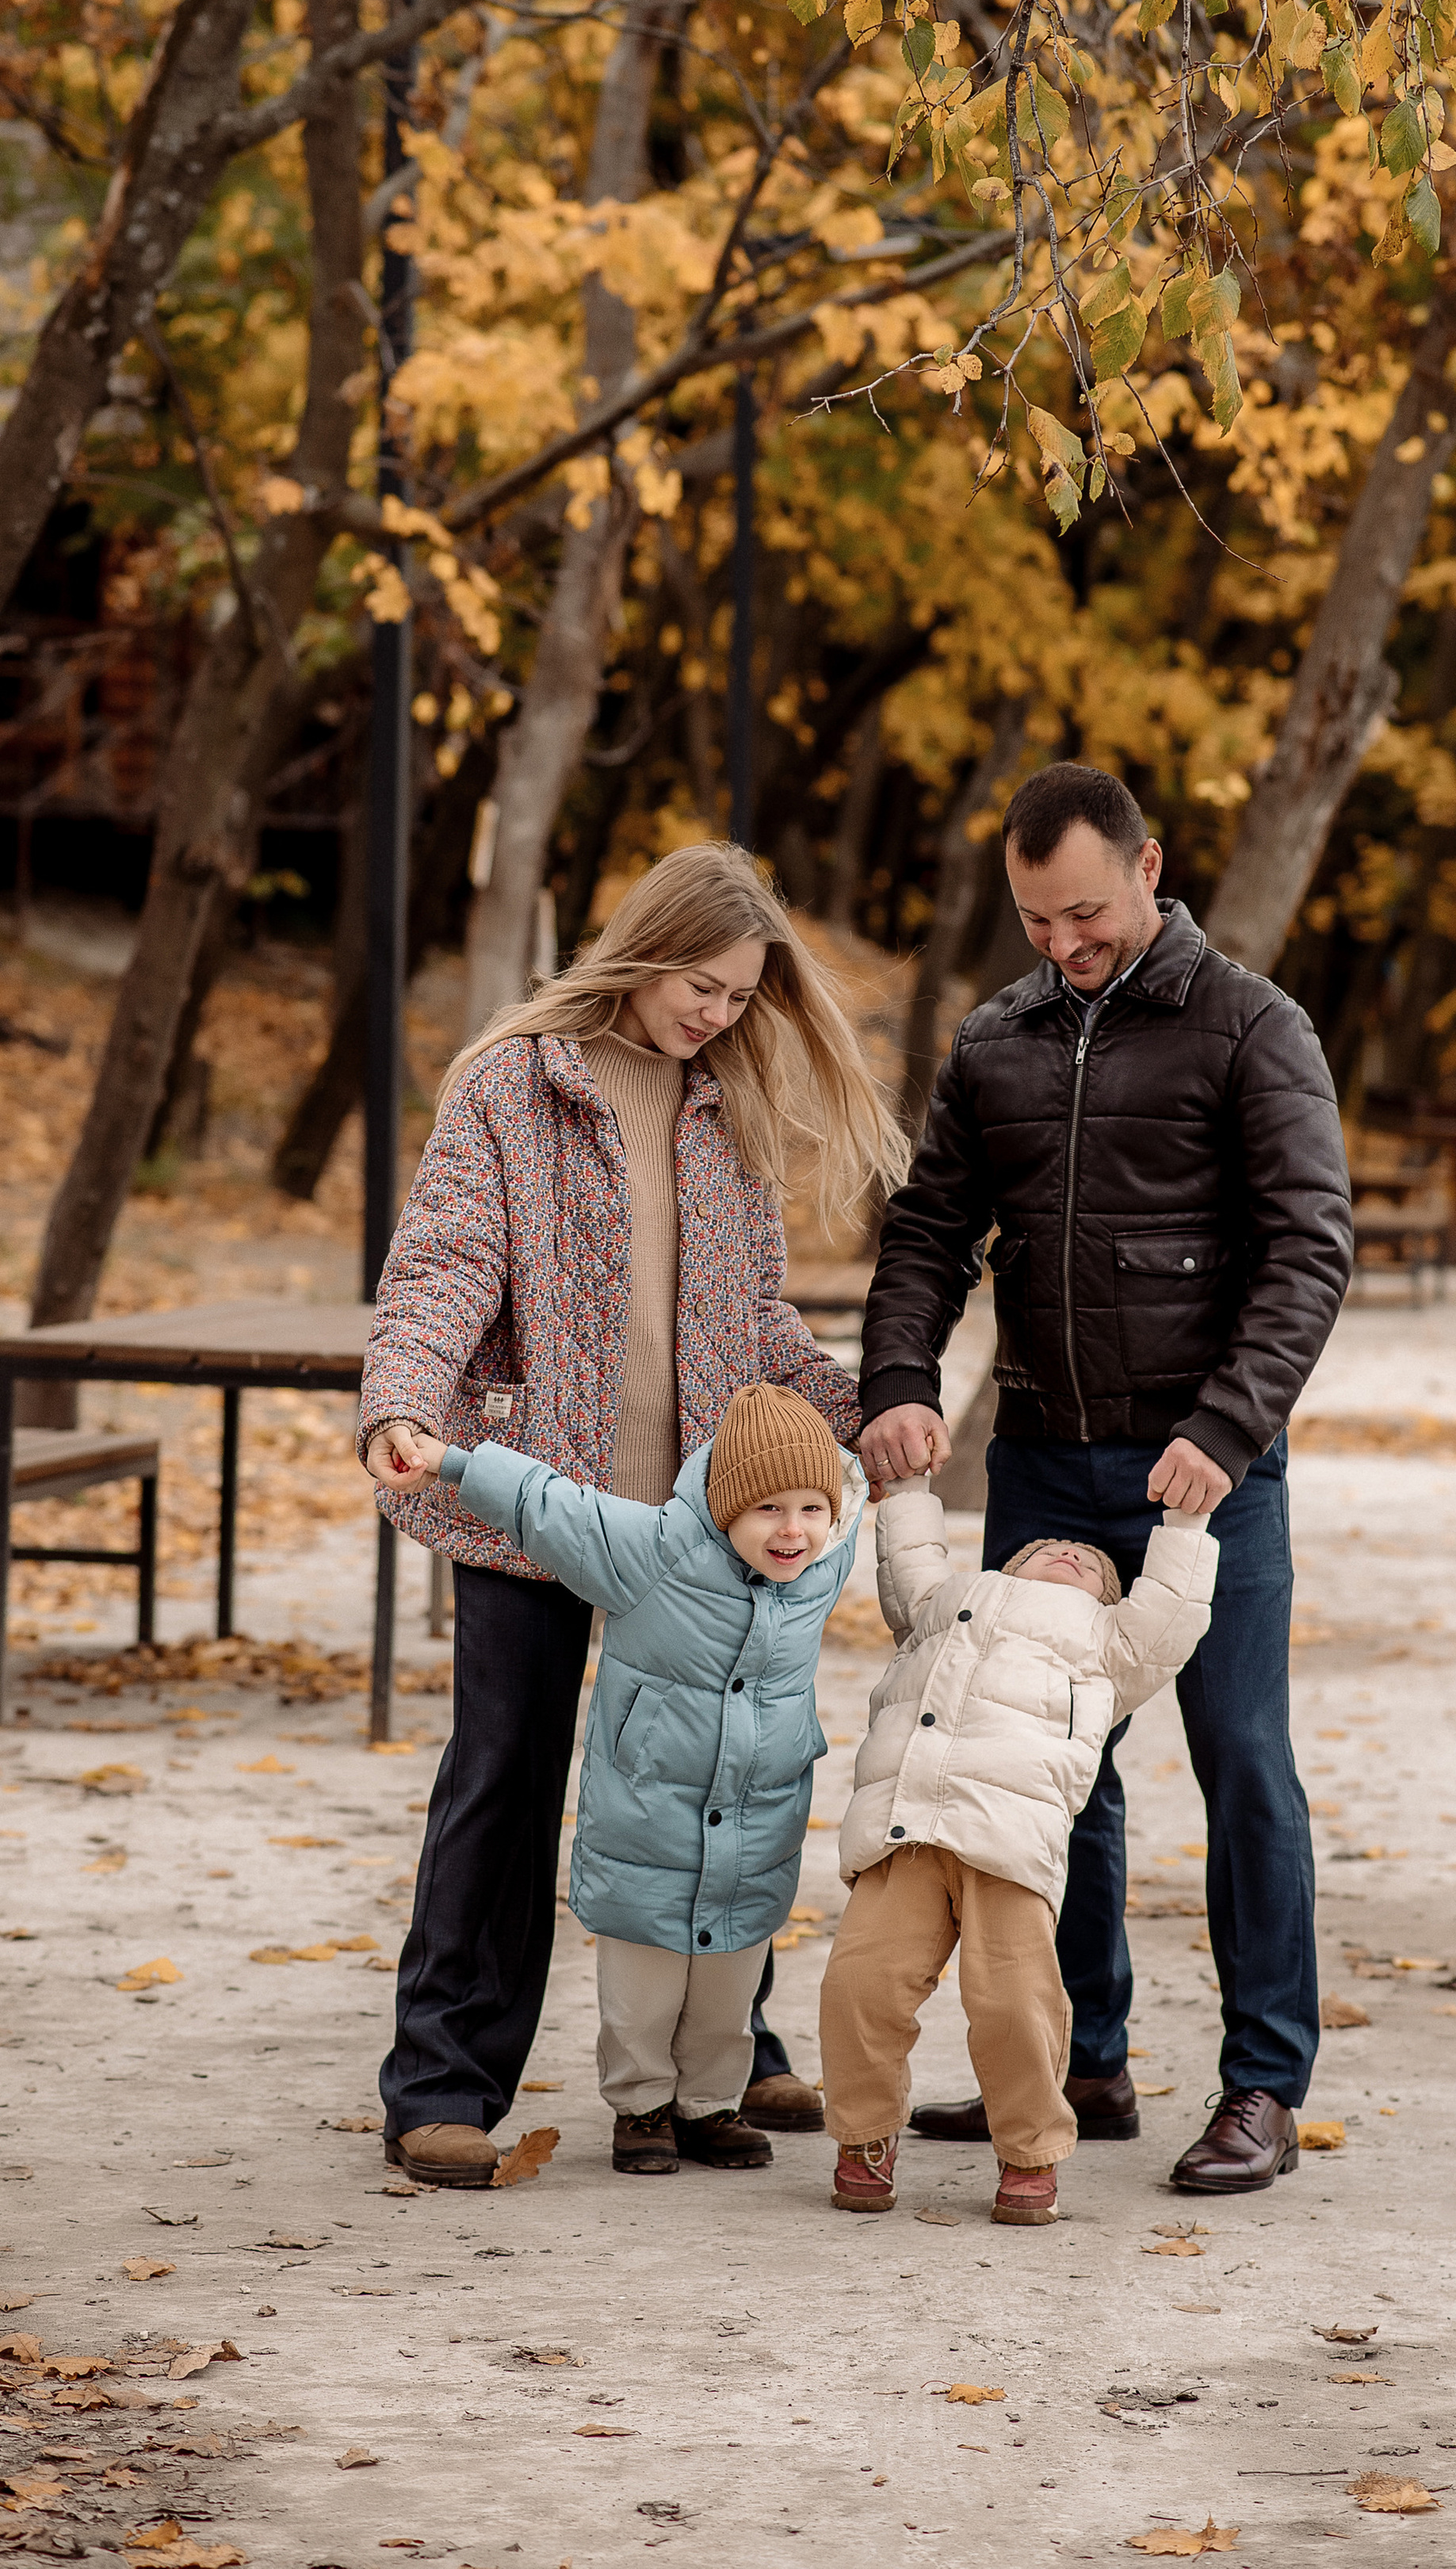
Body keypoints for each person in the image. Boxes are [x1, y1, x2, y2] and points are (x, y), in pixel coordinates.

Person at [359, 843, 909, 2189]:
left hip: (703, 1528)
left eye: (741, 996)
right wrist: (402, 1406)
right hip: (538, 1505)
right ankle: (442, 2084)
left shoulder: (729, 1105)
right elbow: (442, 1267)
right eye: (699, 984)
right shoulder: (513, 1087)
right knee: (505, 1775)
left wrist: (859, 1413)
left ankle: (726, 2050)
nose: (716, 1014)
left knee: (724, 1778)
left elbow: (757, 1319)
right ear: (643, 950)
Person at [856, 763, 1353, 2194]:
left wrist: (1229, 1427)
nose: (1063, 944)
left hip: (1205, 1470)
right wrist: (899, 1383)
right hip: (1042, 1460)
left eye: (1084, 913)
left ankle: (1264, 2086)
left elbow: (1309, 1248)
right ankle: (1079, 2063)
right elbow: (927, 1234)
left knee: (1242, 1759)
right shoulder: (995, 1040)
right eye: (1036, 921)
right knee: (1047, 1775)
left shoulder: (1253, 1026)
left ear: (1149, 865)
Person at [384, 1383, 867, 2175]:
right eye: (768, 1510)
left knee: (729, 1983)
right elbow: (550, 1504)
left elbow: (864, 1489)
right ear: (725, 1506)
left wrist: (904, 1458)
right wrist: (454, 1462)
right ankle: (641, 2104)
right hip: (647, 1818)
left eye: (811, 1510)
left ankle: (710, 2104)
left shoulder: (823, 1561)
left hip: (758, 1823)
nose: (793, 1531)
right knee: (642, 1989)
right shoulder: (652, 1551)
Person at [821, 1481, 1218, 2226]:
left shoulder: (1110, 1643)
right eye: (1047, 1549)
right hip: (904, 1829)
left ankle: (1031, 2151)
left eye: (1090, 1564)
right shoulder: (946, 1603)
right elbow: (910, 1563)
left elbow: (1173, 1611)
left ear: (1109, 1598)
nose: (1068, 1553)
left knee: (1015, 2005)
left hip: (1009, 1842)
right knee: (859, 1987)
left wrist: (1187, 1521)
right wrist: (907, 1491)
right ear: (1006, 1565)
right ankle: (865, 2136)